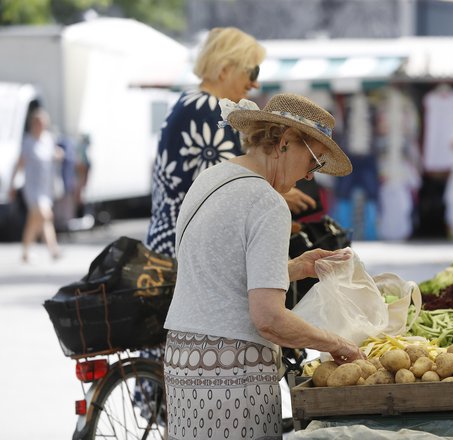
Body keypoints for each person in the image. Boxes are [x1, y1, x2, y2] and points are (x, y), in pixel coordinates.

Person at [163, 93, 364, 439]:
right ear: (285, 142)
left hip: (183, 359)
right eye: (314, 161)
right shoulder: (268, 203)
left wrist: (295, 267)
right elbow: (269, 319)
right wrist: (336, 343)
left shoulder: (210, 179)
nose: (310, 176)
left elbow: (221, 274)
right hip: (232, 372)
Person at [146, 27, 316, 258]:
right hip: (187, 252)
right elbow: (229, 191)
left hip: (171, 244)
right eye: (252, 72)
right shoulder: (208, 110)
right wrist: (278, 192)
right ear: (225, 69)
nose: (255, 84)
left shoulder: (190, 102)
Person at [9, 108, 62, 262]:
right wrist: (12, 185)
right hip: (32, 187)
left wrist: (58, 155)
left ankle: (26, 251)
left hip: (46, 185)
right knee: (45, 215)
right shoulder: (28, 141)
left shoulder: (48, 139)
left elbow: (52, 157)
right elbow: (19, 163)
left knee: (35, 220)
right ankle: (53, 248)